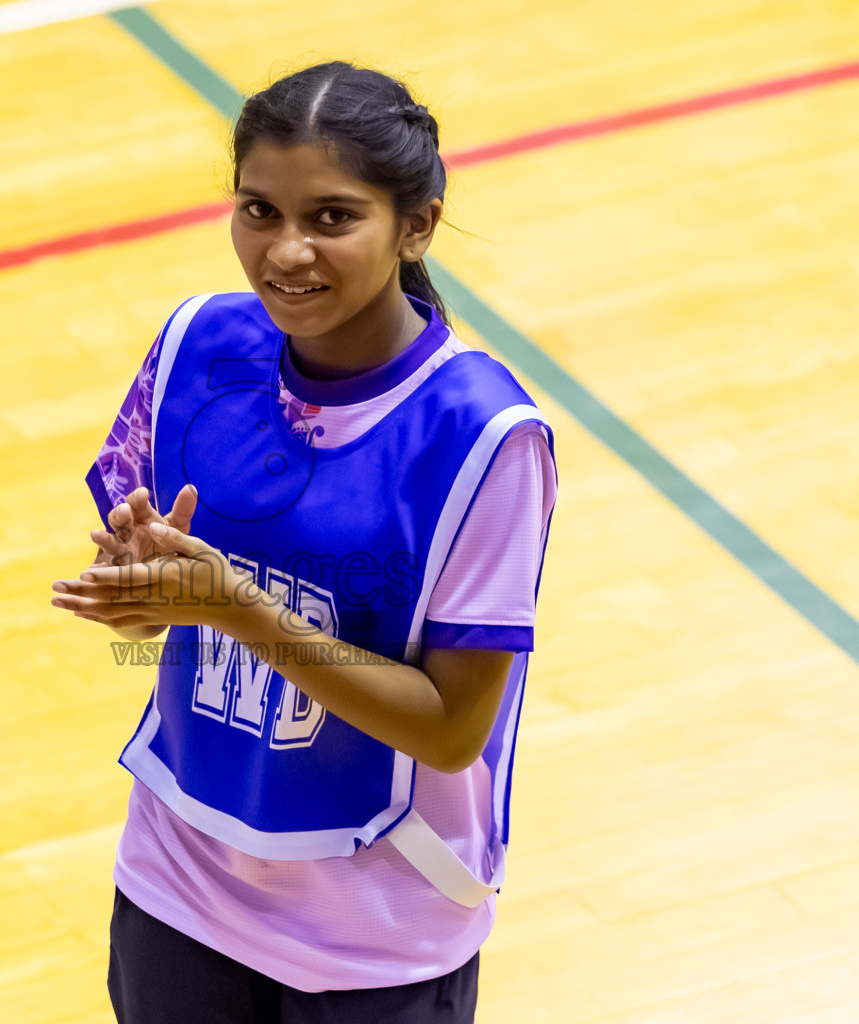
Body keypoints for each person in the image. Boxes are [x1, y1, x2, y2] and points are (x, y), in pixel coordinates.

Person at [49, 60, 557, 1024]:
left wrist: (230, 606)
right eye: (258, 211)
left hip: (377, 928)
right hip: (181, 876)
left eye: (332, 217)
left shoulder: (485, 434)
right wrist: (140, 591)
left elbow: (451, 731)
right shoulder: (199, 342)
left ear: (417, 224)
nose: (285, 252)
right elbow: (154, 621)